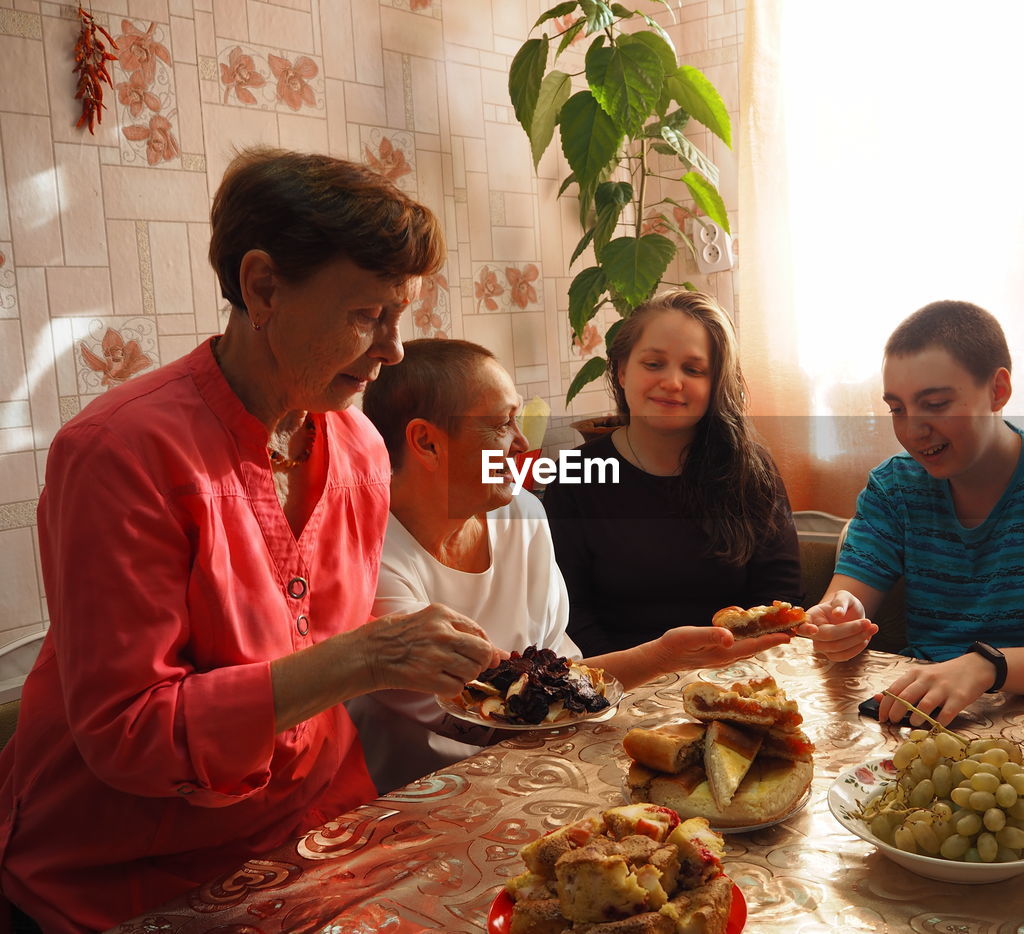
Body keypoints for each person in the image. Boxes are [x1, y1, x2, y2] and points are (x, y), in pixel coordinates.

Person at [0, 149, 501, 932]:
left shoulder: (360, 448)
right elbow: (128, 732)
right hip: (127, 874)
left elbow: (316, 648)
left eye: (400, 318)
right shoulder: (119, 452)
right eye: (368, 314)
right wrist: (366, 656)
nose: (393, 350)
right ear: (263, 286)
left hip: (311, 837)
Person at [346, 339, 793, 792]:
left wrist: (666, 655)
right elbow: (467, 720)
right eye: (502, 425)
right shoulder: (367, 554)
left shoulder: (520, 513)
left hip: (533, 775)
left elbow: (564, 686)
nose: (522, 443)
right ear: (426, 441)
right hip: (417, 800)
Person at [799, 300, 1024, 727]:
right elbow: (842, 602)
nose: (911, 430)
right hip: (929, 725)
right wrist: (836, 623)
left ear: (997, 391)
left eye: (936, 404)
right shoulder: (894, 488)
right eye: (897, 409)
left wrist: (986, 667)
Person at [541, 290, 804, 656]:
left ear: (715, 385)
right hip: (616, 683)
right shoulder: (576, 475)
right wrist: (631, 680)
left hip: (736, 674)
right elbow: (567, 612)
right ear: (620, 370)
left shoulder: (751, 470)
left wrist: (730, 666)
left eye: (694, 370)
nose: (672, 382)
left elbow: (780, 596)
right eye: (653, 364)